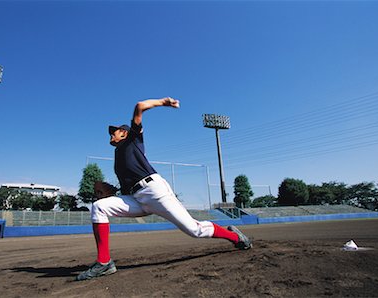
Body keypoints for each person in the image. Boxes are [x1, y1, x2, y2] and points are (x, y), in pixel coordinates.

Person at [76, 97, 252, 281]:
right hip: (137, 199)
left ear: (125, 133)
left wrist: (163, 102)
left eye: (115, 131)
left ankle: (235, 237)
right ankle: (104, 263)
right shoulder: (118, 156)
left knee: (195, 230)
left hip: (154, 191)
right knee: (100, 207)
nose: (111, 134)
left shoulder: (133, 141)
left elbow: (140, 106)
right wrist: (112, 194)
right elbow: (128, 189)